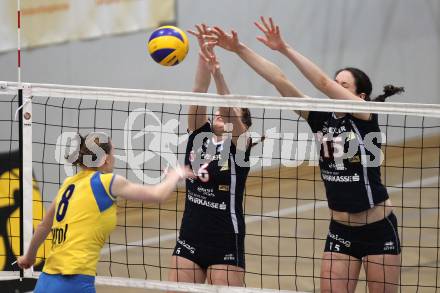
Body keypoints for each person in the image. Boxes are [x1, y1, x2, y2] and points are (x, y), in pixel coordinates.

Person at [210, 17, 404, 293]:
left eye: (343, 85)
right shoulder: (320, 117)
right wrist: (240, 49)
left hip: (378, 229)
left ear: (360, 96)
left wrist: (285, 48)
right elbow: (280, 80)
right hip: (341, 230)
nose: (336, 87)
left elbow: (323, 83)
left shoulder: (365, 115)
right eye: (337, 82)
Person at [17, 133, 192, 293]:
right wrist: (175, 175)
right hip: (74, 281)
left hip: (46, 280)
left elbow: (44, 225)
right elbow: (158, 195)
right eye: (113, 154)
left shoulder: (68, 184)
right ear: (106, 159)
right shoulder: (107, 182)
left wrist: (29, 257)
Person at [167, 24, 252, 288]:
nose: (219, 113)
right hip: (189, 237)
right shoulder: (197, 134)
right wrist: (204, 51)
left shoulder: (242, 145)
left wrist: (219, 75)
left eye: (230, 112)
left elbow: (227, 110)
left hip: (225, 240)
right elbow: (198, 90)